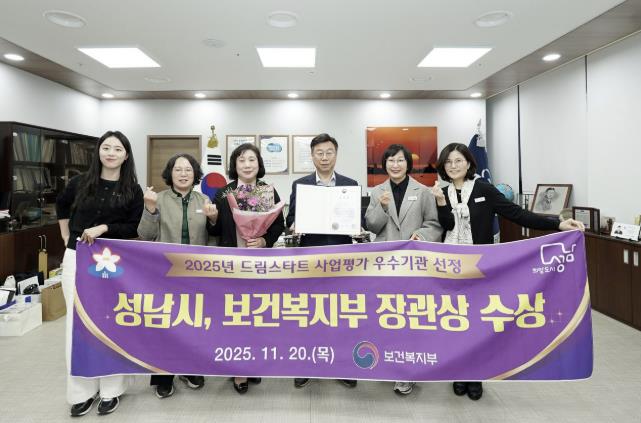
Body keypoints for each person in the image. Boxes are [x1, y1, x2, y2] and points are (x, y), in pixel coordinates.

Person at [431, 142, 585, 401]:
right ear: (443, 166)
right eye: (448, 162)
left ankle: (476, 375)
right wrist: (440, 202)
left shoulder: (484, 189)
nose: (453, 166)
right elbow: (446, 225)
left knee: (477, 323)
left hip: (481, 267)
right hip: (450, 267)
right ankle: (459, 372)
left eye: (458, 160)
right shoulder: (441, 192)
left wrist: (557, 224)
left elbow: (517, 214)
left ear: (468, 163)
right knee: (455, 322)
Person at [56, 131, 144, 416]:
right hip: (78, 258)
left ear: (126, 155)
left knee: (111, 322)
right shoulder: (79, 183)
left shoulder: (132, 189)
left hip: (114, 262)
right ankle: (81, 392)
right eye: (106, 147)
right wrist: (67, 238)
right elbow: (61, 207)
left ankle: (111, 390)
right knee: (77, 323)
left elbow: (132, 227)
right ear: (98, 152)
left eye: (117, 149)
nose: (111, 153)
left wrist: (104, 228)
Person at [137, 153, 218, 399]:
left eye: (188, 170)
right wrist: (150, 209)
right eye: (178, 169)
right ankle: (164, 376)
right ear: (169, 174)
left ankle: (190, 369)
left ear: (195, 174)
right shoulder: (157, 199)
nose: (183, 174)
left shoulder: (204, 199)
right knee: (165, 326)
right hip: (165, 273)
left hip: (196, 274)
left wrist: (213, 219)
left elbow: (213, 238)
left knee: (193, 324)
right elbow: (145, 235)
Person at [365, 144, 442, 395]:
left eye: (400, 160)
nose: (395, 165)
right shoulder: (377, 192)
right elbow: (372, 226)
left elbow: (434, 224)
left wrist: (421, 235)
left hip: (413, 264)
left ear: (408, 164)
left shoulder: (423, 192)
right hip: (386, 265)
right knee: (387, 315)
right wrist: (381, 207)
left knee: (410, 317)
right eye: (390, 161)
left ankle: (408, 371)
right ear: (384, 165)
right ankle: (388, 363)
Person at [208, 143, 285, 393]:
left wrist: (264, 240)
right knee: (235, 317)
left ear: (259, 164)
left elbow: (279, 224)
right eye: (241, 160)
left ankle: (252, 364)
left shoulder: (268, 190)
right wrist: (212, 218)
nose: (247, 165)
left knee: (257, 316)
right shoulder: (223, 193)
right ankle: (238, 370)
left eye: (252, 159)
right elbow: (214, 231)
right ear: (235, 165)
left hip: (259, 264)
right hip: (232, 263)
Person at [285, 133, 360, 389]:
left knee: (341, 313)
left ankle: (342, 365)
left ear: (336, 155)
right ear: (312, 156)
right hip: (310, 258)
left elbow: (356, 219)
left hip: (342, 259)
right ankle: (307, 364)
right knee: (309, 313)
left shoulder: (350, 184)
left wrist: (357, 227)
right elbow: (290, 219)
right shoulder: (300, 184)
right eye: (320, 153)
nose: (325, 157)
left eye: (329, 152)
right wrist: (293, 225)